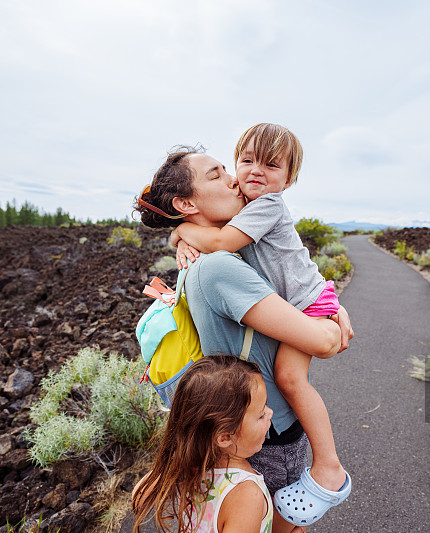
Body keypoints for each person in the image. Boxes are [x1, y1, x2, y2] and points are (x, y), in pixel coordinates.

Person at [134, 146, 353, 531]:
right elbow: (323, 343)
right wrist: (334, 320)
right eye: (215, 175)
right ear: (186, 202)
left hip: (247, 423)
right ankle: (330, 469)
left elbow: (293, 282)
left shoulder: (212, 254)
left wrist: (182, 231)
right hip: (268, 430)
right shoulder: (219, 266)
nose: (234, 178)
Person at [132, 355, 282, 533]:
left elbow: (138, 497)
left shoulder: (181, 467)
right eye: (261, 414)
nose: (270, 412)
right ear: (225, 437)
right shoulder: (247, 495)